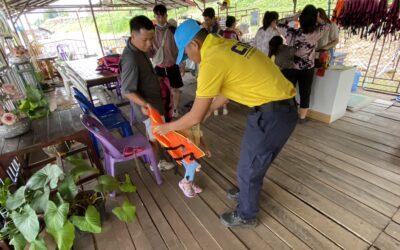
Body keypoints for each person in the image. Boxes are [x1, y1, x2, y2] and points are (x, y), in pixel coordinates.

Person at [154, 19, 298, 228]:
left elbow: (194, 116)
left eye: (186, 54)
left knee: (249, 168)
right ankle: (246, 191)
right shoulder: (224, 45)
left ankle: (247, 215)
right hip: (272, 107)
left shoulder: (211, 60)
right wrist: (210, 109)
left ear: (194, 45)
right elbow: (225, 91)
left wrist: (167, 127)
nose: (190, 59)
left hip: (274, 113)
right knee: (249, 159)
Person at [120, 15, 174, 171]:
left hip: (153, 103)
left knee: (156, 134)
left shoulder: (139, 48)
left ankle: (158, 159)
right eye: (145, 39)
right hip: (148, 107)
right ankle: (156, 163)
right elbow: (126, 91)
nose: (150, 44)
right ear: (133, 36)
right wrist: (145, 104)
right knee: (155, 136)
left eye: (151, 39)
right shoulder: (130, 58)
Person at [277, 5, 329, 123]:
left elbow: (278, 23)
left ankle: (286, 116)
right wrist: (318, 18)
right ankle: (302, 118)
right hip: (307, 68)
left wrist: (293, 17)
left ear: (301, 17)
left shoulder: (291, 32)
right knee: (305, 93)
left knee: (288, 91)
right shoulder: (316, 33)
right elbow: (328, 25)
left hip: (290, 66)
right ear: (314, 18)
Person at [152, 5, 184, 119]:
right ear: (155, 16)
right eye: (158, 16)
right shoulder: (152, 31)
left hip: (173, 65)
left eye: (163, 16)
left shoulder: (173, 30)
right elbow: (149, 49)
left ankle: (175, 109)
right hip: (159, 66)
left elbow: (181, 47)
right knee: (160, 90)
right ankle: (163, 109)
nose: (160, 19)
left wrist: (182, 63)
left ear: (166, 15)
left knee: (175, 89)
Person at [177, 124, 211, 197]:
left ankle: (190, 183)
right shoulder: (184, 125)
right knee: (193, 166)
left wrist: (206, 148)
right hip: (185, 153)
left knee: (190, 170)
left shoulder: (197, 124)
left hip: (194, 153)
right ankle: (185, 183)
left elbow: (199, 136)